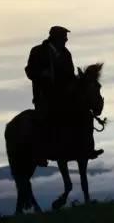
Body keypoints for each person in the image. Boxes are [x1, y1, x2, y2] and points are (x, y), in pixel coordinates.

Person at [25, 26, 75, 166]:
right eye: (64, 37)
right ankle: (40, 153)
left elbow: (70, 74)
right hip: (44, 96)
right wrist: (42, 74)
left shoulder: (66, 54)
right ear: (56, 38)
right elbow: (30, 71)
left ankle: (82, 147)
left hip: (64, 97)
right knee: (43, 120)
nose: (66, 39)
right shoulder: (38, 51)